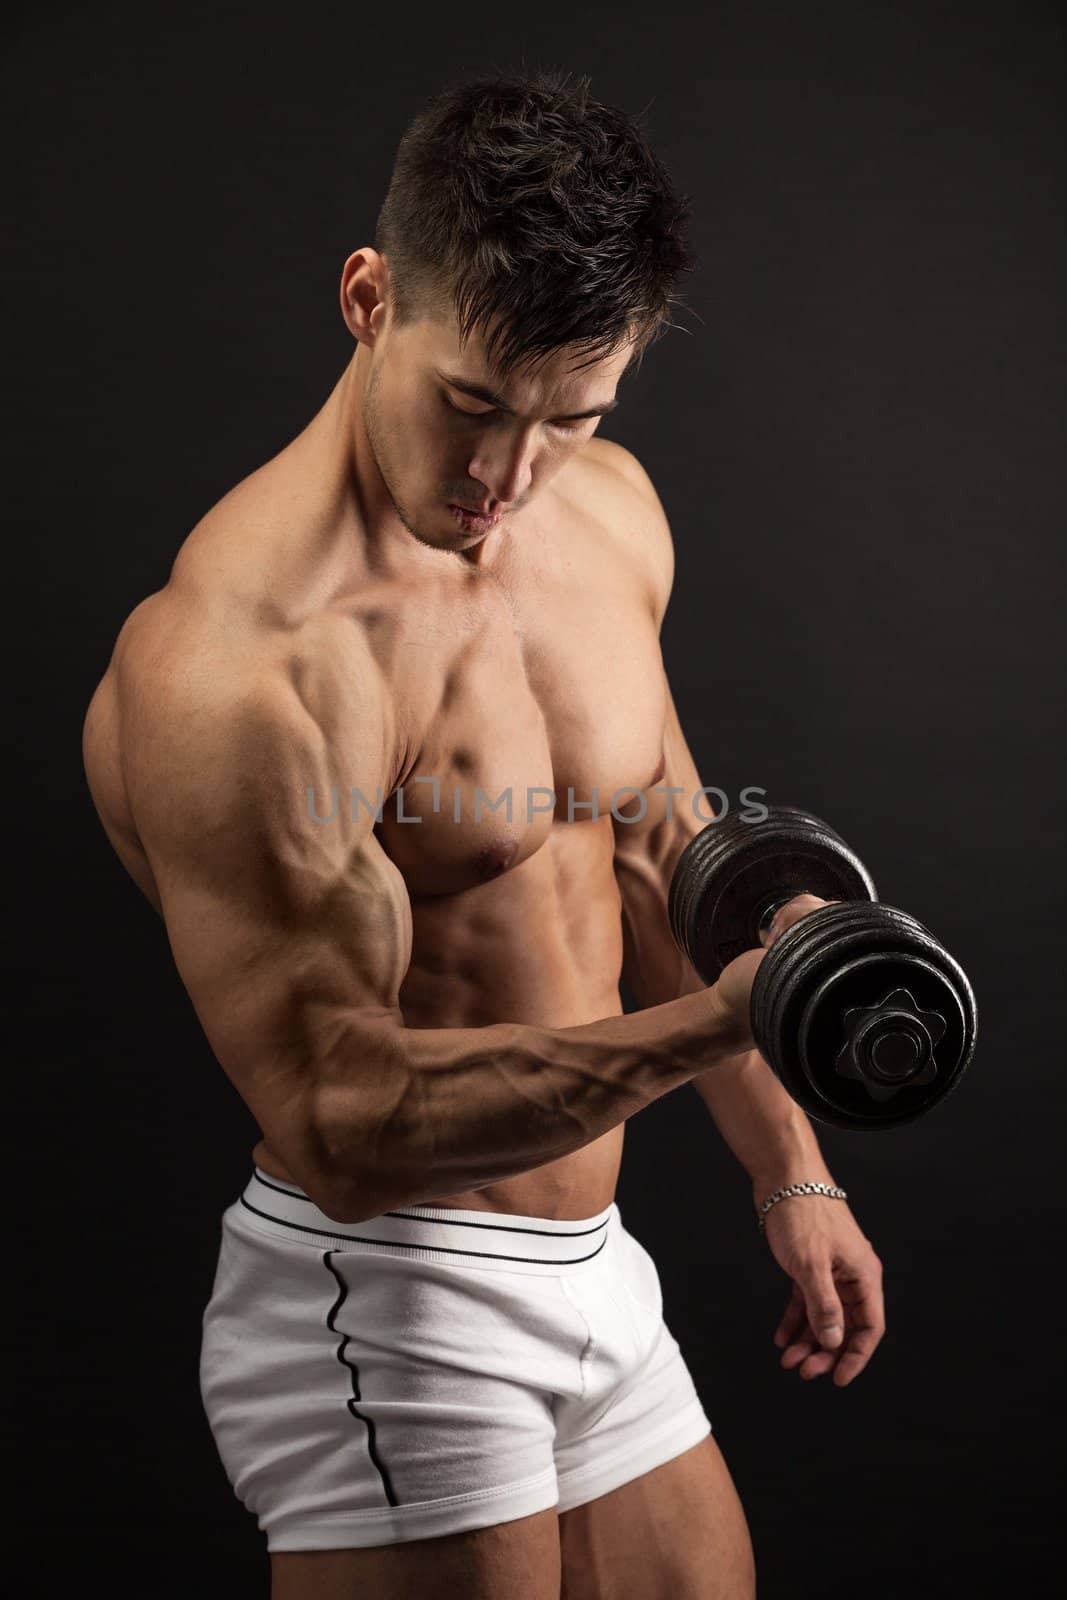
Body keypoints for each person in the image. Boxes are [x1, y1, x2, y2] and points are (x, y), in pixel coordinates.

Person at [82, 69, 885, 1600]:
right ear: (369, 297)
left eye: (572, 419)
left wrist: (793, 1166)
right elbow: (342, 1114)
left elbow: (668, 864)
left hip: (593, 1267)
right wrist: (721, 1022)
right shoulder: (249, 663)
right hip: (380, 1287)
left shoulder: (608, 518)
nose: (509, 479)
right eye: (473, 407)